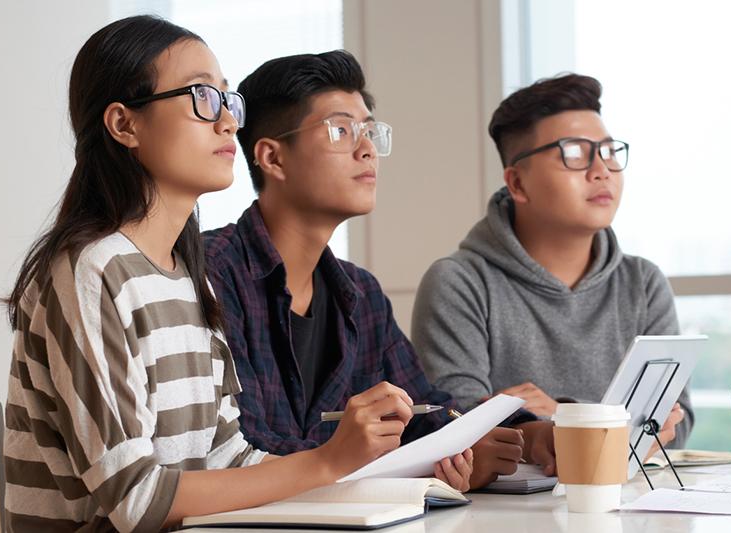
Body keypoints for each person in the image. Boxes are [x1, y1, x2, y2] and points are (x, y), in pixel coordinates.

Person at [3, 17, 471, 532]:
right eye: (203, 97)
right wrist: (328, 461)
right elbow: (134, 497)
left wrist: (372, 481)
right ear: (124, 124)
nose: (228, 122)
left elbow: (231, 458)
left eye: (228, 101)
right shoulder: (91, 270)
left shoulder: (189, 278)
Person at [204, 50, 557, 487]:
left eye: (370, 131)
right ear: (273, 159)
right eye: (341, 130)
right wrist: (422, 460)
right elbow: (246, 447)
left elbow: (426, 409)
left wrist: (528, 432)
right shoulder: (212, 275)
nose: (368, 149)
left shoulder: (360, 293)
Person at [411, 73, 692, 452]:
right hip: (505, 510)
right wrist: (617, 424)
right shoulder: (459, 282)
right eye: (574, 153)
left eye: (609, 151)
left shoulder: (642, 282)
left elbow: (677, 420)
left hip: (629, 502)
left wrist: (562, 415)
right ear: (518, 183)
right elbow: (454, 422)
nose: (602, 170)